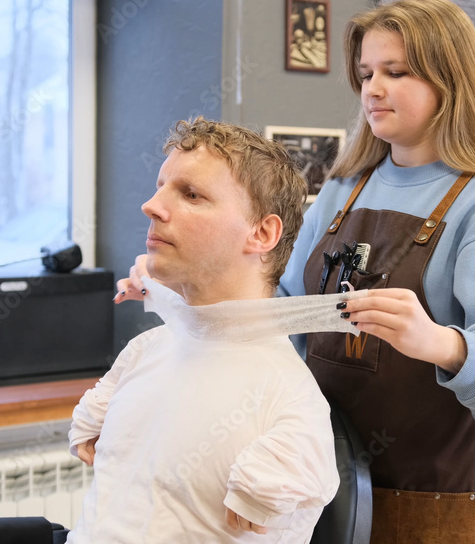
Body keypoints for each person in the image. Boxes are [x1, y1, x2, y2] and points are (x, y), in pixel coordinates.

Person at [119, 0, 475, 543]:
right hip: (325, 483)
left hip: (437, 500)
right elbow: (277, 315)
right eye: (366, 73)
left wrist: (446, 345)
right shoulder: (343, 191)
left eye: (396, 72)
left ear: (452, 81)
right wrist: (177, 290)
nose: (373, 88)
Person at [67, 118, 341, 543]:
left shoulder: (288, 402)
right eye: (160, 187)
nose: (151, 206)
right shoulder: (144, 353)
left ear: (262, 233)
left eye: (191, 194)